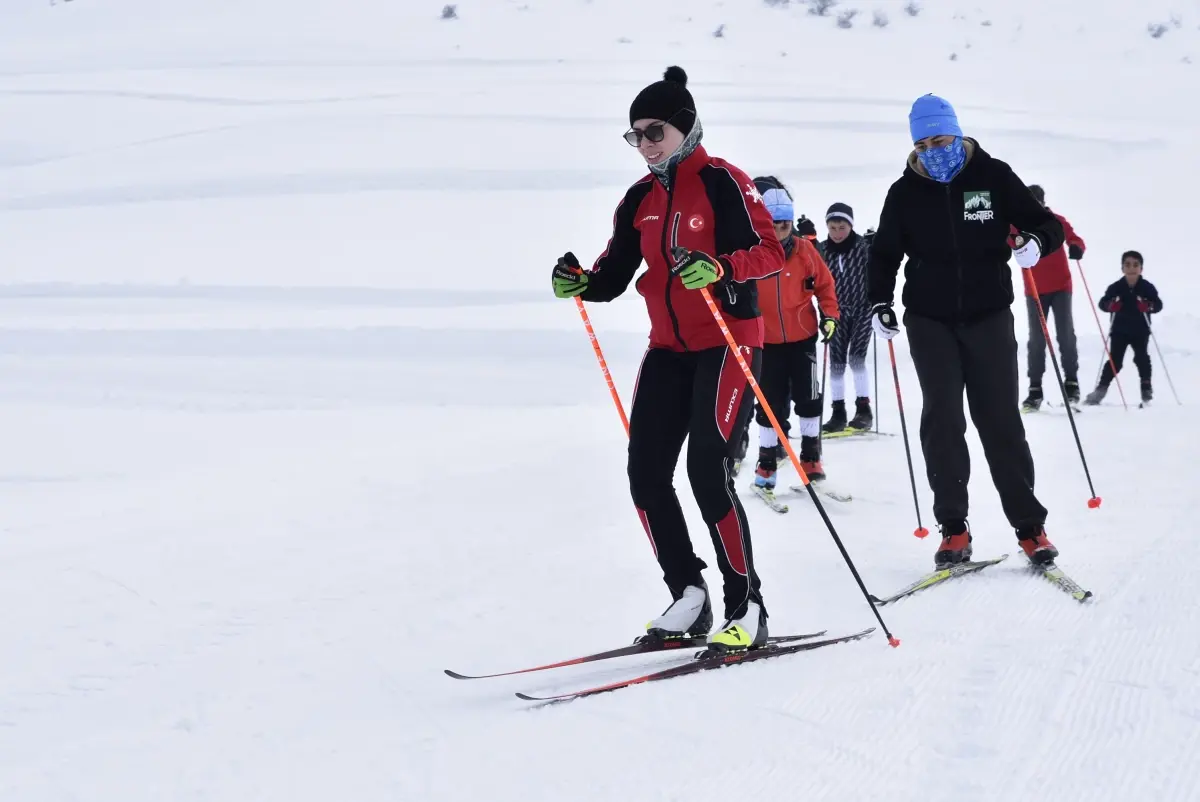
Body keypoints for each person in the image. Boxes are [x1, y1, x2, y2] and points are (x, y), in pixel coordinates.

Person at [550, 66, 786, 649]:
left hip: (728, 341)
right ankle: (689, 595)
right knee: (646, 474)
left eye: (655, 131)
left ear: (686, 126)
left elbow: (770, 252)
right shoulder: (640, 199)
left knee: (707, 470)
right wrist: (580, 282)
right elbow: (613, 274)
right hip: (668, 350)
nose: (646, 144)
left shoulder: (724, 181)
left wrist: (722, 268)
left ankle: (747, 604)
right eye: (636, 135)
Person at [866, 93, 1065, 568]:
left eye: (940, 140)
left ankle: (1030, 527)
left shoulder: (993, 176)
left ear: (956, 134)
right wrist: (879, 302)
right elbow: (885, 253)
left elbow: (1046, 223)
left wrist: (1036, 242)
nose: (932, 151)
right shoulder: (904, 192)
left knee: (1000, 419)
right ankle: (953, 527)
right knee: (943, 419)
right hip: (928, 319)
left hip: (989, 314)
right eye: (923, 144)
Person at [751, 184, 839, 494]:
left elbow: (825, 286)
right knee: (769, 402)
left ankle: (811, 458)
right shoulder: (753, 252)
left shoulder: (805, 251)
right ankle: (766, 462)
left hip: (803, 338)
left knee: (808, 397)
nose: (778, 231)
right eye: (772, 225)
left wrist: (830, 316)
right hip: (766, 342)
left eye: (784, 225)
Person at [1009, 184, 1088, 411]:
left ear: (1043, 202)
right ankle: (1035, 389)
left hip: (1061, 286)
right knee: (1036, 340)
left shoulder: (1055, 220)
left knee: (1065, 334)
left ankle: (1071, 383)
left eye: (1037, 201)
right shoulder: (1017, 225)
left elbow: (1075, 238)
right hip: (1034, 289)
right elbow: (1003, 241)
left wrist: (1076, 247)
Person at [818, 202, 874, 433]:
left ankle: (863, 410)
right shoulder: (823, 250)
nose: (837, 233)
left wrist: (876, 245)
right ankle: (838, 412)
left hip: (863, 309)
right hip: (836, 312)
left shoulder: (863, 247)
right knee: (837, 364)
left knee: (857, 359)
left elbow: (882, 265)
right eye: (832, 228)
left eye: (842, 228)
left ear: (850, 226)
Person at [1083, 250, 1162, 406]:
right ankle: (1100, 390)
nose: (1131, 268)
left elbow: (1158, 305)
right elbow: (1103, 303)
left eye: (1135, 265)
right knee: (1115, 361)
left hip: (1140, 330)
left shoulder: (1147, 287)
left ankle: (1146, 390)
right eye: (1127, 265)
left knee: (1142, 358)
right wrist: (1111, 305)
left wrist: (1148, 306)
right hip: (1119, 331)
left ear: (1141, 268)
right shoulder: (1116, 287)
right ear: (1122, 268)